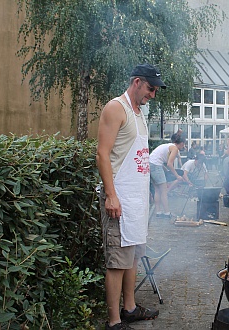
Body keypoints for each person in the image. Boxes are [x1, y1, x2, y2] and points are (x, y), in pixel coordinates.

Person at [96, 64, 164, 330]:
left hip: (136, 199)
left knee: (134, 256)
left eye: (155, 90)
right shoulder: (116, 108)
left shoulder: (140, 112)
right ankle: (114, 322)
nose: (153, 95)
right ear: (137, 82)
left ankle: (130, 308)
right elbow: (102, 154)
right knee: (117, 261)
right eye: (150, 88)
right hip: (119, 199)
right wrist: (111, 196)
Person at [149, 136, 185, 218]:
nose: (183, 147)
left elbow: (159, 159)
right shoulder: (175, 149)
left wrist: (166, 171)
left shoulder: (169, 146)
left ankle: (158, 212)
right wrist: (177, 176)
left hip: (151, 164)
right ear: (182, 143)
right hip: (156, 165)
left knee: (157, 190)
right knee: (164, 191)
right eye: (183, 145)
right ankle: (167, 213)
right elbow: (169, 164)